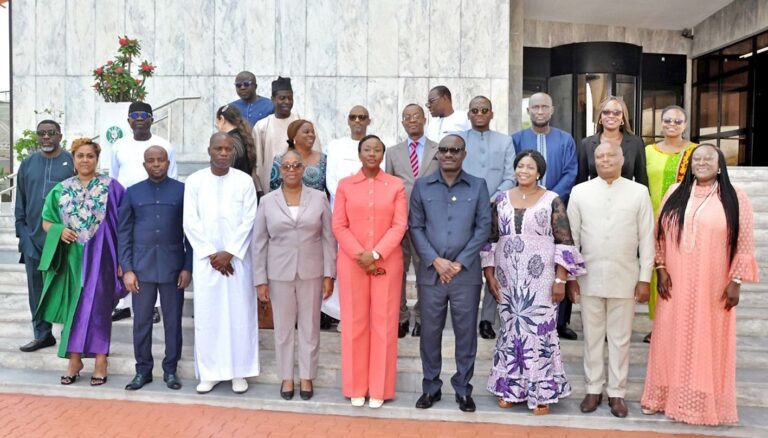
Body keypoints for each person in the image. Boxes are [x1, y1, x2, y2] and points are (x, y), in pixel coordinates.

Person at [641, 144, 758, 426]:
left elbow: (744, 241)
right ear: (690, 165)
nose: (702, 162)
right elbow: (658, 236)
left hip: (714, 284)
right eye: (697, 159)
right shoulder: (674, 193)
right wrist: (660, 267)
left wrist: (736, 281)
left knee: (707, 340)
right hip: (675, 283)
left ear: (720, 166)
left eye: (709, 159)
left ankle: (702, 403)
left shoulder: (734, 197)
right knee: (670, 338)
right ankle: (661, 398)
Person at [481, 150, 586, 415]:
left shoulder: (552, 200)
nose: (524, 170)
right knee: (510, 331)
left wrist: (561, 279)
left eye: (530, 167)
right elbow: (491, 239)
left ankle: (541, 392)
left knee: (539, 332)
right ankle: (511, 388)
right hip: (507, 277)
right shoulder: (501, 200)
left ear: (539, 171)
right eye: (520, 166)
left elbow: (564, 241)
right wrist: (490, 274)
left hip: (541, 277)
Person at [566, 142, 654, 418]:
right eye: (600, 156)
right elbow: (572, 239)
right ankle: (593, 389)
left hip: (625, 277)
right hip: (588, 277)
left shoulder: (639, 192)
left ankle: (617, 393)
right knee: (592, 337)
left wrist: (645, 278)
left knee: (620, 339)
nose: (605, 160)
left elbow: (647, 238)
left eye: (611, 155)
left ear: (623, 159)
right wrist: (570, 277)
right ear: (593, 161)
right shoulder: (580, 192)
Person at [409, 134, 492, 413]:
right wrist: (435, 261)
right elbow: (416, 228)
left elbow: (483, 227)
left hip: (465, 275)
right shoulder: (422, 186)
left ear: (463, 154)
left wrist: (459, 263)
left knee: (465, 333)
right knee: (430, 333)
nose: (448, 154)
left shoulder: (478, 186)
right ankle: (430, 387)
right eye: (443, 150)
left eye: (454, 150)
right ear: (437, 154)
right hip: (432, 274)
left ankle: (463, 389)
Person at [36, 138, 126, 386]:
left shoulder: (112, 187)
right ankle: (74, 360)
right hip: (72, 259)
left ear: (97, 160)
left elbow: (124, 226)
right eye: (80, 156)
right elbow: (46, 221)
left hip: (104, 257)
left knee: (99, 308)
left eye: (90, 156)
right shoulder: (61, 189)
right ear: (73, 159)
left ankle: (100, 360)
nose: (85, 160)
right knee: (73, 309)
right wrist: (58, 230)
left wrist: (123, 261)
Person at [252, 150, 337, 401]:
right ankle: (287, 377)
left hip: (312, 270)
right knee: (284, 328)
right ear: (280, 169)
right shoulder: (267, 201)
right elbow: (259, 242)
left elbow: (328, 238)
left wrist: (328, 274)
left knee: (310, 327)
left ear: (303, 169)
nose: (291, 170)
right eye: (286, 166)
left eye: (296, 165)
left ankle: (307, 377)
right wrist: (260, 279)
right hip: (278, 272)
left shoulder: (319, 198)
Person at [332, 135, 407, 409]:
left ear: (383, 154)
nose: (372, 153)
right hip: (352, 263)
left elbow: (400, 225)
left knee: (384, 324)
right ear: (359, 153)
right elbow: (339, 225)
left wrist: (375, 254)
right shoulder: (345, 186)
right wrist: (360, 255)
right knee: (354, 324)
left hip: (386, 262)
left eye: (377, 149)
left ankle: (379, 388)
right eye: (367, 149)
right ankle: (355, 386)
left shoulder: (396, 185)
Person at [183, 133, 259, 394]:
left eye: (228, 149)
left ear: (234, 153)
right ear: (209, 150)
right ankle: (210, 372)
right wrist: (211, 253)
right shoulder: (194, 181)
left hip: (237, 261)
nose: (224, 153)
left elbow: (250, 220)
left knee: (240, 315)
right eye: (219, 148)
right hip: (206, 262)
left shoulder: (244, 181)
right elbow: (190, 222)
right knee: (209, 316)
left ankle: (240, 371)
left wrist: (231, 252)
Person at [118, 146, 193, 391]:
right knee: (141, 322)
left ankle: (170, 370)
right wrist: (127, 268)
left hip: (173, 268)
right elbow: (124, 233)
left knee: (173, 322)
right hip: (141, 269)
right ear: (144, 165)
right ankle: (143, 371)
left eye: (161, 160)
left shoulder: (182, 191)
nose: (157, 164)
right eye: (151, 161)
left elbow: (190, 233)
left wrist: (187, 266)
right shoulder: (133, 193)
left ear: (168, 162)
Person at [512, 92, 580, 341]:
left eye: (544, 107)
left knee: (560, 259)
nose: (540, 111)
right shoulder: (517, 139)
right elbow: (516, 171)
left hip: (557, 208)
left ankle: (561, 322)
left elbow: (571, 172)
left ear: (552, 110)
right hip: (526, 212)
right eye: (535, 107)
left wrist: (548, 198)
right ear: (528, 111)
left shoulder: (565, 139)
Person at [110, 101, 178, 323]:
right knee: (126, 255)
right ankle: (122, 302)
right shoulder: (118, 145)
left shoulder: (164, 145)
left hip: (158, 204)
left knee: (155, 257)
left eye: (144, 115)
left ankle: (155, 305)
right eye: (135, 115)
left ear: (152, 119)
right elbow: (115, 178)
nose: (139, 118)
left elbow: (173, 177)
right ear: (128, 121)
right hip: (128, 206)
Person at [15, 120, 74, 352]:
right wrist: (22, 234)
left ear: (60, 136)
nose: (46, 137)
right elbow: (20, 201)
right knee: (36, 289)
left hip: (63, 240)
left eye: (51, 133)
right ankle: (42, 334)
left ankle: (70, 337)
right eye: (41, 134)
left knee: (65, 288)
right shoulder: (28, 163)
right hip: (33, 240)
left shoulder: (70, 162)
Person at [461, 96, 516, 341]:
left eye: (485, 110)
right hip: (464, 211)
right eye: (475, 110)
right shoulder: (460, 141)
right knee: (469, 264)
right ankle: (468, 315)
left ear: (492, 114)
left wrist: (492, 199)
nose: (480, 114)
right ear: (469, 114)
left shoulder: (505, 141)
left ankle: (487, 319)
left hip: (496, 211)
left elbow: (510, 176)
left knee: (495, 264)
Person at [643, 105, 697, 343]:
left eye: (677, 121)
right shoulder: (648, 151)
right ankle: (659, 326)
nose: (672, 125)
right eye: (667, 120)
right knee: (656, 272)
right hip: (653, 220)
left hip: (685, 221)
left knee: (682, 272)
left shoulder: (695, 151)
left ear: (685, 124)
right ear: (661, 123)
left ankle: (682, 324)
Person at [385, 103, 439, 338]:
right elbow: (386, 186)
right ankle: (401, 317)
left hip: (428, 222)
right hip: (399, 221)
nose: (412, 120)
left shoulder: (439, 150)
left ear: (424, 119)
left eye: (416, 116)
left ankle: (421, 317)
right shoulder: (393, 152)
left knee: (424, 272)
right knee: (397, 270)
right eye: (407, 117)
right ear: (403, 123)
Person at [323, 105, 374, 329]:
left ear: (368, 121)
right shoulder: (335, 146)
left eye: (362, 117)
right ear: (348, 120)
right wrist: (349, 200)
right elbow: (331, 180)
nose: (357, 121)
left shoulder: (375, 146)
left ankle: (364, 312)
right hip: (341, 214)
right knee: (344, 262)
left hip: (369, 216)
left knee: (364, 262)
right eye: (353, 117)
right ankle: (342, 314)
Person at [253, 77, 321, 193]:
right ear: (273, 99)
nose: (287, 102)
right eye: (282, 98)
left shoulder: (303, 123)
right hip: (272, 188)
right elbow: (257, 162)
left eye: (290, 98)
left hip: (302, 185)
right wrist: (259, 190)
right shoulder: (262, 126)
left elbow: (316, 154)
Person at [577, 96, 648, 187]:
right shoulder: (586, 144)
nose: (611, 116)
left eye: (616, 113)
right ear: (600, 117)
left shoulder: (636, 143)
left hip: (627, 198)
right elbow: (581, 181)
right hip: (594, 198)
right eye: (606, 112)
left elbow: (641, 179)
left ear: (623, 117)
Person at [215, 104, 262, 195]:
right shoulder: (243, 137)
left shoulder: (229, 142)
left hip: (233, 193)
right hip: (246, 190)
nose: (217, 127)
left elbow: (224, 171)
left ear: (222, 119)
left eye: (216, 123)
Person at [269, 119, 327, 192]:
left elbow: (329, 190)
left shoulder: (324, 159)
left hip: (317, 203)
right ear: (294, 136)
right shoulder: (280, 160)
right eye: (306, 132)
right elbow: (273, 190)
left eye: (313, 132)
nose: (311, 135)